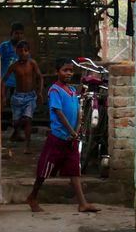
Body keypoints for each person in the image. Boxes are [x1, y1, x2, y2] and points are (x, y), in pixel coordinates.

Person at [26, 58, 100, 214]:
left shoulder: (72, 91)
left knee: (74, 171)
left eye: (71, 70)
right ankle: (32, 196)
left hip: (71, 139)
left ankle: (82, 203)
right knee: (44, 170)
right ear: (57, 72)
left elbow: (78, 111)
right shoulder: (54, 90)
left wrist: (78, 129)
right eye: (65, 70)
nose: (68, 73)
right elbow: (58, 112)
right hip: (58, 138)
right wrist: (71, 131)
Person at [2, 40, 44, 155]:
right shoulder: (14, 66)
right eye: (20, 51)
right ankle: (16, 131)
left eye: (25, 51)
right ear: (16, 52)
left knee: (28, 120)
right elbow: (4, 80)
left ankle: (27, 146)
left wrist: (39, 92)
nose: (23, 53)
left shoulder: (32, 64)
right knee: (16, 122)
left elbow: (40, 77)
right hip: (17, 97)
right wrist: (3, 96)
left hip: (30, 96)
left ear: (29, 52)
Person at [0, 21, 24, 139]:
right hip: (6, 82)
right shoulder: (4, 46)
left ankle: (16, 132)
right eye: (16, 33)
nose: (18, 36)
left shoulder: (23, 48)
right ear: (11, 34)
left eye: (20, 33)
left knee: (17, 109)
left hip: (18, 83)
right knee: (1, 106)